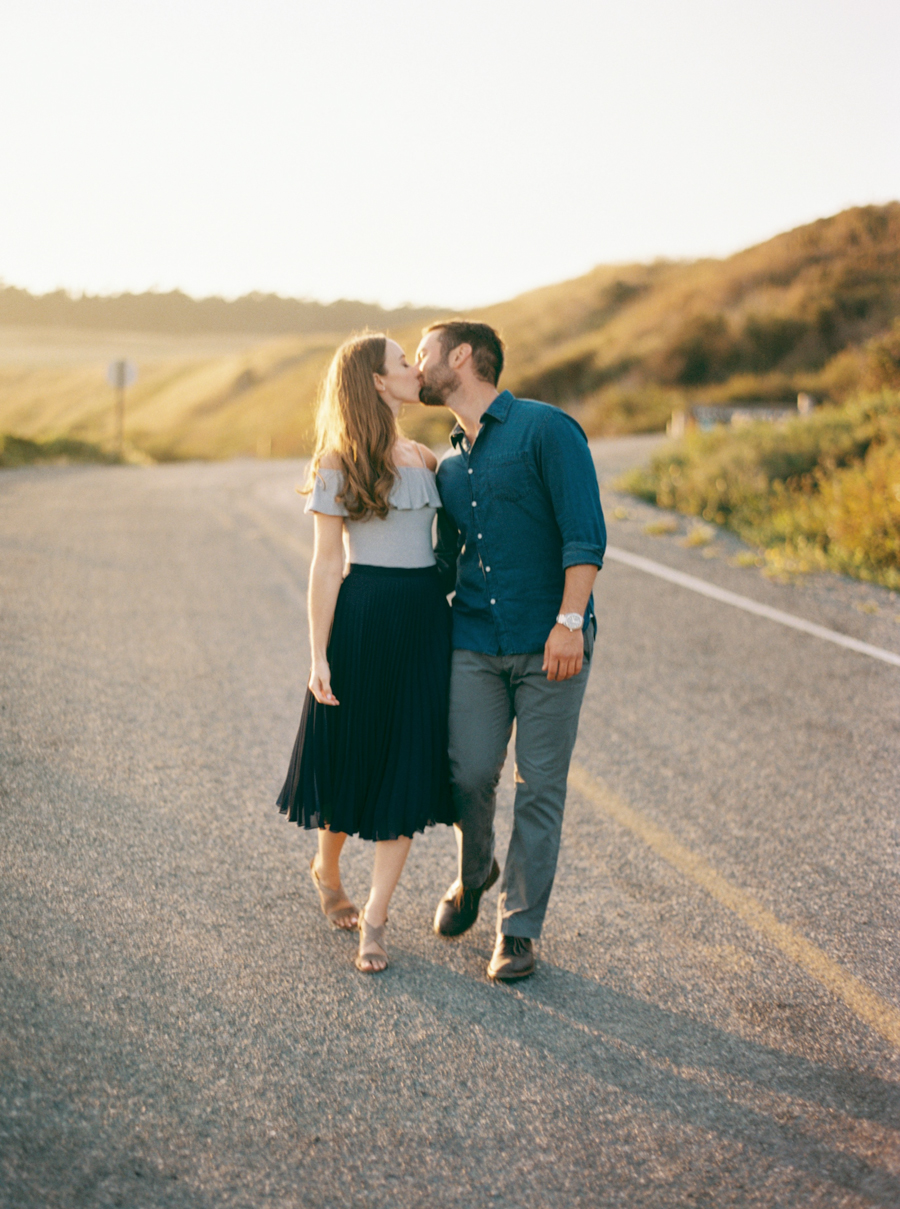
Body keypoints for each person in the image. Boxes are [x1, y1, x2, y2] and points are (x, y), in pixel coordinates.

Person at [416, 319, 606, 982]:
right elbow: (441, 563)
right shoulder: (445, 464)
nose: (417, 366)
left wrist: (568, 621)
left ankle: (518, 930)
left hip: (550, 642)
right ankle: (475, 872)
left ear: (462, 358)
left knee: (540, 789)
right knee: (466, 773)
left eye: (424, 353)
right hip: (473, 639)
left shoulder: (547, 429)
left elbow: (585, 535)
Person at [277, 333, 455, 974]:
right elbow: (326, 567)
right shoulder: (337, 462)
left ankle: (375, 919)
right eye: (404, 363)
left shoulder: (428, 459)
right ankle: (327, 868)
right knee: (353, 753)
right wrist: (318, 655)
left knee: (406, 760)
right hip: (363, 617)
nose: (416, 370)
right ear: (378, 383)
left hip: (423, 621)